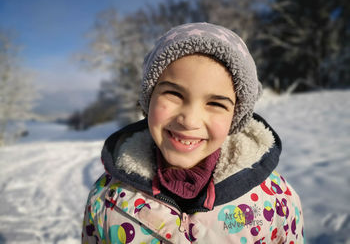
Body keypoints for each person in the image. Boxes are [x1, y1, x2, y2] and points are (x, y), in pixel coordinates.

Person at [82, 22, 304, 244]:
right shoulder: (108, 199)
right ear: (148, 99)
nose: (189, 121)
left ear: (235, 117)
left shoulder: (275, 199)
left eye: (216, 104)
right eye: (174, 94)